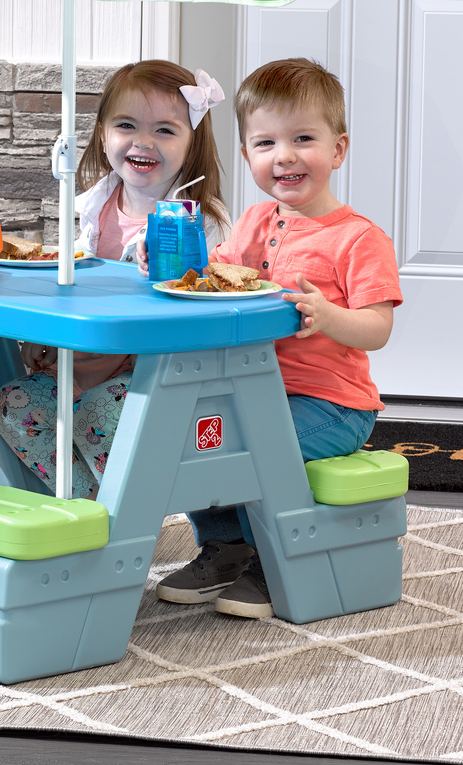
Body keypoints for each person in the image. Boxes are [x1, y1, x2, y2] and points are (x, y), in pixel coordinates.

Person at [139, 57, 402, 619]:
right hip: (251, 392)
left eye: (303, 138)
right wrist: (163, 255)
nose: (284, 155)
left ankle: (269, 557)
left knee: (251, 445)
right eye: (266, 143)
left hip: (331, 404)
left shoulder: (359, 239)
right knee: (194, 440)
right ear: (247, 156)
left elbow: (378, 328)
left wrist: (329, 315)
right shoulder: (254, 222)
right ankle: (225, 547)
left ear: (338, 149)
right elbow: (211, 274)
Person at [0, 60, 231, 498]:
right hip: (84, 362)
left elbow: (209, 303)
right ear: (103, 135)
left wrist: (172, 269)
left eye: (165, 130)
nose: (143, 141)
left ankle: (125, 518)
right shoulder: (94, 206)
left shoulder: (202, 221)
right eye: (126, 125)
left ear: (192, 143)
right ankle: (89, 512)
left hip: (155, 373)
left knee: (96, 414)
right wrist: (48, 338)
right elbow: (76, 290)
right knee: (11, 404)